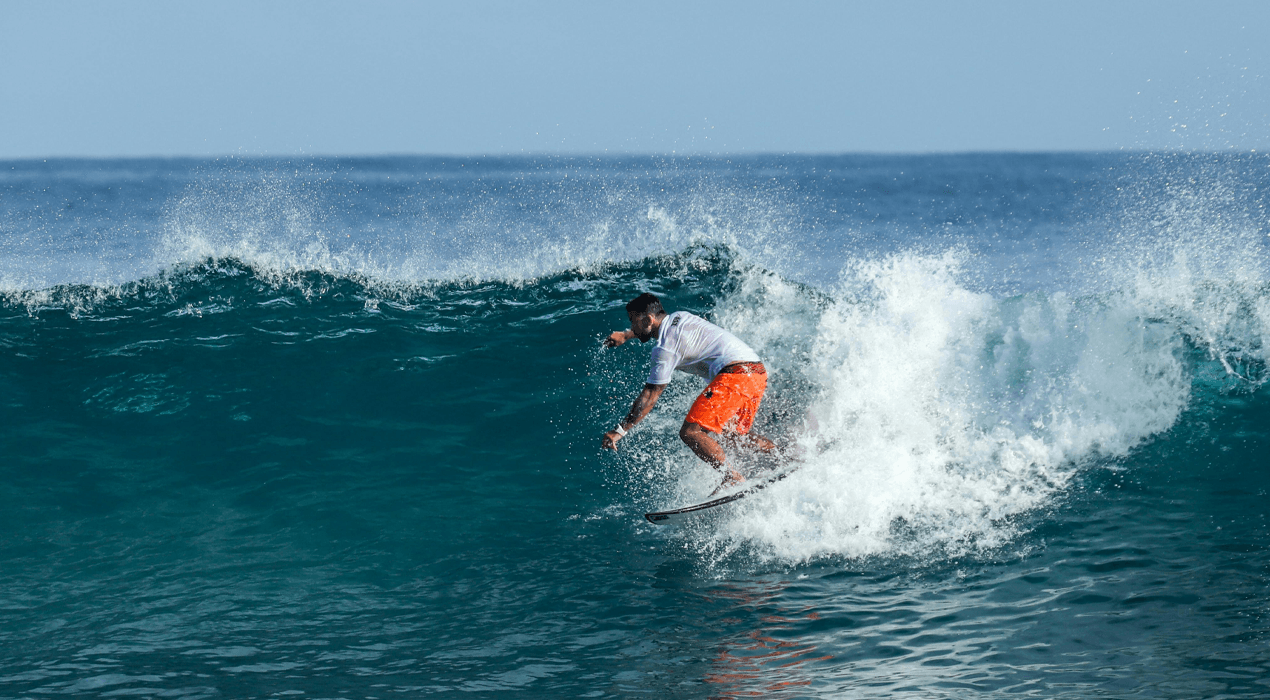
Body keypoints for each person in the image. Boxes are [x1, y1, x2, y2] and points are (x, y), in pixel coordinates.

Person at [601, 293, 776, 493]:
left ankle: (732, 477)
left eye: (633, 322)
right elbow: (652, 330)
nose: (632, 327)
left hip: (735, 375)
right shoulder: (680, 317)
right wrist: (627, 335)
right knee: (733, 436)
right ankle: (780, 456)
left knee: (690, 433)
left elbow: (650, 396)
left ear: (648, 319)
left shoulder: (665, 348)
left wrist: (621, 430)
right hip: (756, 373)